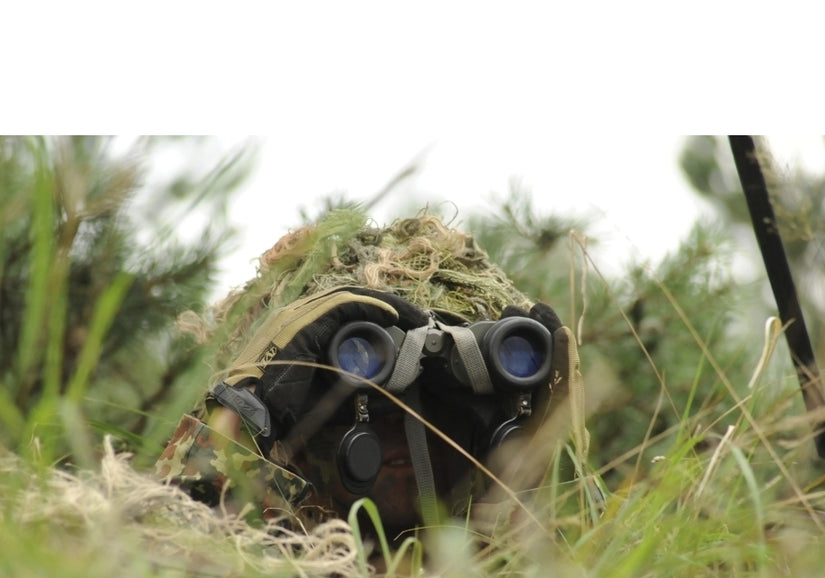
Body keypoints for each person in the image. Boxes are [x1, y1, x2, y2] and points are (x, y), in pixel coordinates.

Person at [155, 212, 588, 549]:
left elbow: (572, 577)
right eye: (357, 396)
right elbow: (166, 544)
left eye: (439, 396)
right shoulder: (259, 562)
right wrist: (247, 407)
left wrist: (545, 464)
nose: (402, 421)